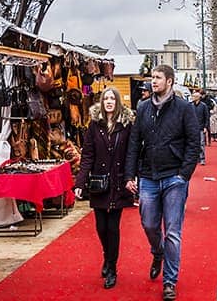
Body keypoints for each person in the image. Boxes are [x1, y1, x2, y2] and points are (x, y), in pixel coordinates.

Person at [125, 65, 200, 301]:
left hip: (174, 178)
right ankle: (157, 252)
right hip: (148, 176)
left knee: (173, 232)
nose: (153, 81)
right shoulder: (143, 108)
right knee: (148, 223)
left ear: (169, 81)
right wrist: (130, 175)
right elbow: (135, 143)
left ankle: (170, 281)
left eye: (157, 78)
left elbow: (193, 142)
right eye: (152, 77)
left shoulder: (184, 108)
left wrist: (184, 174)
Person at [74, 87, 136, 289]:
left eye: (112, 98)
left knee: (113, 227)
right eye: (106, 98)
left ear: (117, 102)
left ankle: (112, 267)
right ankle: (106, 255)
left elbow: (130, 154)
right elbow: (87, 155)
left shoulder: (126, 125)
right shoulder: (94, 125)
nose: (109, 101)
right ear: (102, 102)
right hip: (99, 182)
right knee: (101, 227)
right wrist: (80, 183)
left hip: (118, 182)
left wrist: (130, 177)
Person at [191, 91, 210, 165]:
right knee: (194, 144)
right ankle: (196, 158)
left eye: (193, 96)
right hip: (192, 128)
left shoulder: (203, 106)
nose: (192, 98)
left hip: (201, 127)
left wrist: (205, 126)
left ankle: (202, 158)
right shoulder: (191, 105)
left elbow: (206, 116)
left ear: (198, 97)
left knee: (201, 143)